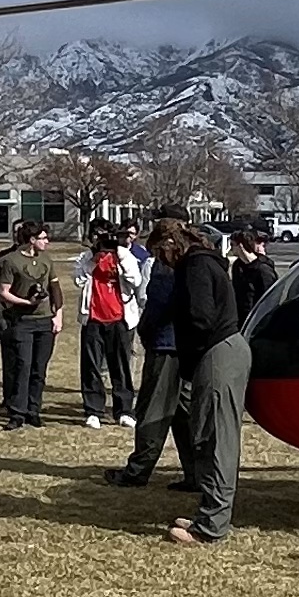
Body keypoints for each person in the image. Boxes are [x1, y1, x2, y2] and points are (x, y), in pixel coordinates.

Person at [164, 221, 249, 546]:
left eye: (162, 251)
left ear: (173, 243)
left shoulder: (195, 266)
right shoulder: (208, 260)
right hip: (225, 349)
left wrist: (190, 350)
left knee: (216, 440)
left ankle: (211, 525)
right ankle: (209, 514)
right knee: (214, 436)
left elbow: (201, 317)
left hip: (217, 353)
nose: (162, 260)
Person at [111, 207, 194, 486]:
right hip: (186, 345)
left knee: (152, 410)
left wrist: (146, 330)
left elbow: (157, 303)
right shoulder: (195, 256)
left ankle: (137, 471)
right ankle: (196, 473)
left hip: (166, 345)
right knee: (184, 412)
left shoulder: (166, 261)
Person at [0, 223, 61, 428]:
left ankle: (33, 409)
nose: (46, 241)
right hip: (21, 321)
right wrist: (26, 302)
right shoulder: (9, 261)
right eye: (43, 238)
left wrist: (58, 314)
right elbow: (3, 291)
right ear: (32, 240)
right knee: (23, 366)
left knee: (39, 368)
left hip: (44, 320)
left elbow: (54, 287)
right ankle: (17, 411)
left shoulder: (46, 260)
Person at [77, 223, 140, 429]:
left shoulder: (124, 256)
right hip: (93, 318)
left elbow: (136, 280)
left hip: (119, 319)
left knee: (120, 366)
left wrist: (120, 257)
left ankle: (124, 410)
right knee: (91, 367)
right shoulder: (86, 258)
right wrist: (93, 262)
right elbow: (78, 279)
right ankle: (93, 410)